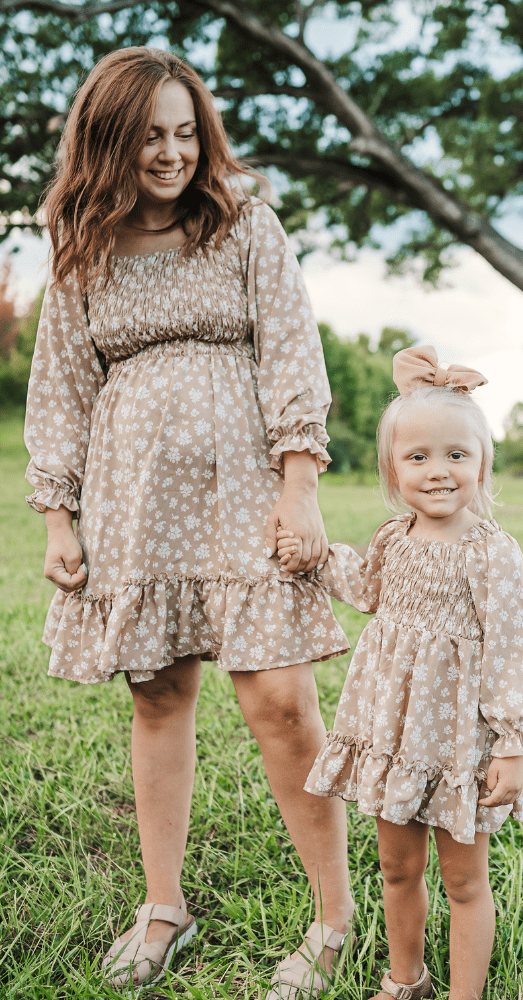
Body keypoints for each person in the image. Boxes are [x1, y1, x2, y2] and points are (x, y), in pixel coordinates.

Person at [24, 47, 354, 996]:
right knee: (159, 694)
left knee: (280, 704)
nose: (170, 155)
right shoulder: (82, 245)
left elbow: (292, 354)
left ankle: (332, 922)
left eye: (183, 132)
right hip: (133, 502)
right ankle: (162, 904)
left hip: (245, 487)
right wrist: (59, 517)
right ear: (109, 142)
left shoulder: (245, 222)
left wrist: (299, 489)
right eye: (148, 137)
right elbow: (62, 389)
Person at [277, 346, 523, 1000]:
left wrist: (513, 744)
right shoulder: (391, 539)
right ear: (392, 468)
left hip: (460, 747)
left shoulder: (491, 552)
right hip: (394, 741)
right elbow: (365, 587)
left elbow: (516, 646)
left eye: (457, 455)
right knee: (397, 869)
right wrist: (311, 557)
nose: (438, 471)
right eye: (418, 456)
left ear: (483, 466)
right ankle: (406, 980)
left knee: (463, 880)